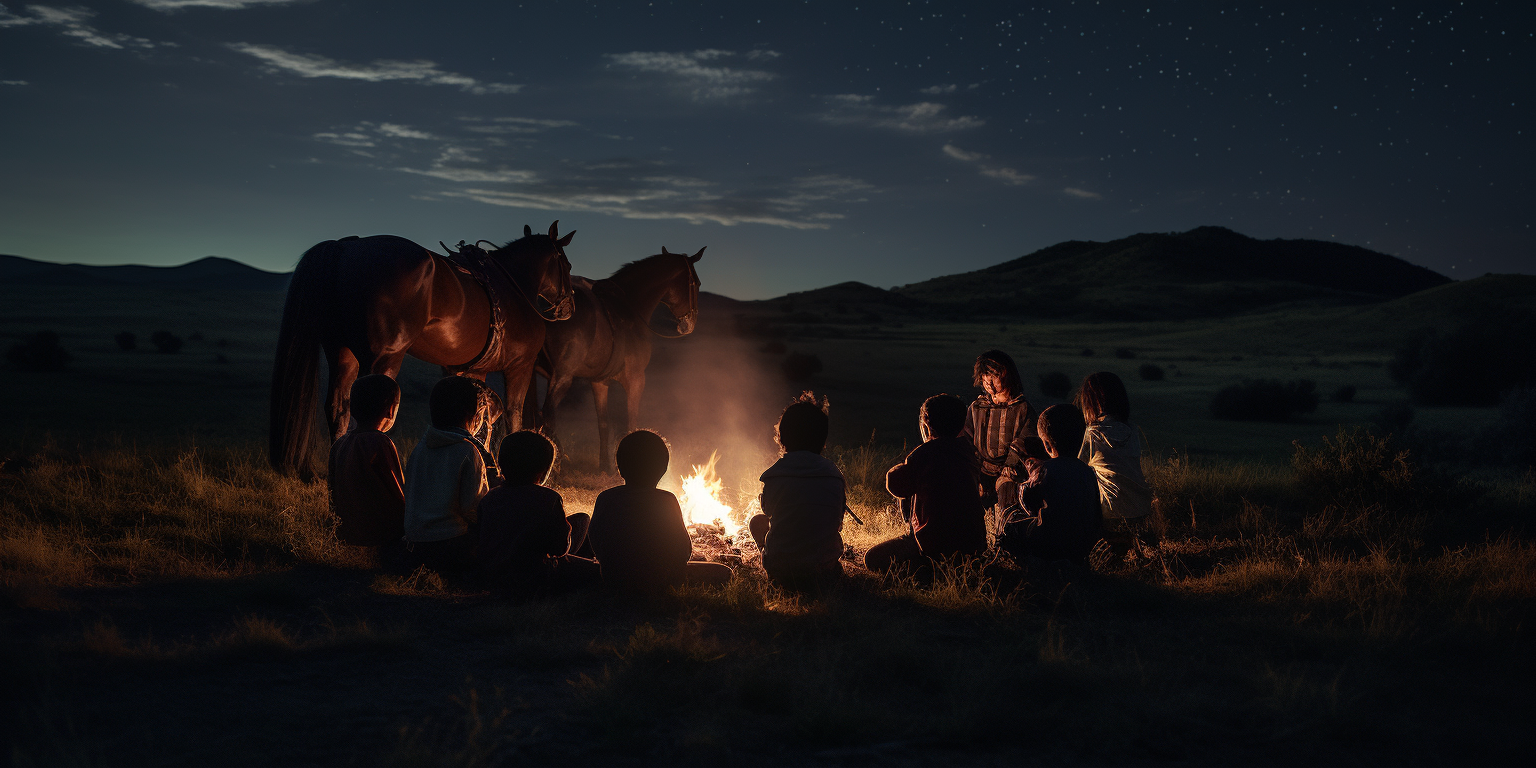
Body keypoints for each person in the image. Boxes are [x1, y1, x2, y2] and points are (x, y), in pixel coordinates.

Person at [588, 430, 732, 594]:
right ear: (663, 469)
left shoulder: (606, 498)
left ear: (619, 468)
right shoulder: (667, 500)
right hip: (661, 580)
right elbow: (683, 549)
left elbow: (595, 539)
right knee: (723, 573)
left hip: (615, 579)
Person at [866, 394, 987, 578]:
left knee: (872, 558)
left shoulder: (924, 454)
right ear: (962, 426)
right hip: (973, 546)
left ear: (925, 424)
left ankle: (925, 569)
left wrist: (902, 466)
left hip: (932, 545)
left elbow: (896, 485)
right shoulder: (969, 453)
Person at [476, 430, 600, 595]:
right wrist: (566, 529)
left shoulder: (490, 498)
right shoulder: (548, 498)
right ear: (542, 471)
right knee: (600, 572)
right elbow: (560, 548)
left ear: (501, 464)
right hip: (537, 576)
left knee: (582, 519)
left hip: (494, 575)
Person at [748, 393, 846, 591]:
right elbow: (838, 521)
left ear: (782, 436)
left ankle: (776, 573)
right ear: (822, 439)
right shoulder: (834, 475)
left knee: (757, 522)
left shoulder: (774, 475)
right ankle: (823, 576)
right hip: (822, 569)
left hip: (781, 568)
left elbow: (768, 512)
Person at [403, 375, 498, 577]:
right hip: (451, 546)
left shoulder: (419, 449)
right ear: (474, 415)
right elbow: (473, 509)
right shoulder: (468, 451)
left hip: (415, 546)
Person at [999, 404, 1102, 567]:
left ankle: (1015, 562)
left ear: (1046, 445)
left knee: (1011, 528)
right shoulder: (1087, 471)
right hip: (1080, 545)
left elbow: (1028, 504)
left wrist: (1029, 476)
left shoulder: (1044, 470)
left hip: (1049, 544)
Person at [962, 350, 1045, 541]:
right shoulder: (977, 408)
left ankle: (1008, 540)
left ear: (1006, 374)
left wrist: (1010, 465)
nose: (989, 382)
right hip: (980, 468)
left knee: (1007, 497)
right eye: (984, 377)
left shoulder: (1022, 408)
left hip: (1011, 471)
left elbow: (1026, 438)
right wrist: (974, 468)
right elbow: (968, 437)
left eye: (994, 376)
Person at [327, 374, 406, 569]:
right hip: (380, 536)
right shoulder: (380, 442)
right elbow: (398, 493)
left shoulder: (339, 443)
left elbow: (332, 492)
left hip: (347, 533)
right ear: (390, 410)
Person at [1077, 372, 1156, 550]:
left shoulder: (1093, 433)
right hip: (1141, 507)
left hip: (1112, 513)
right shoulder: (1132, 430)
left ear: (1091, 401)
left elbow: (1078, 467)